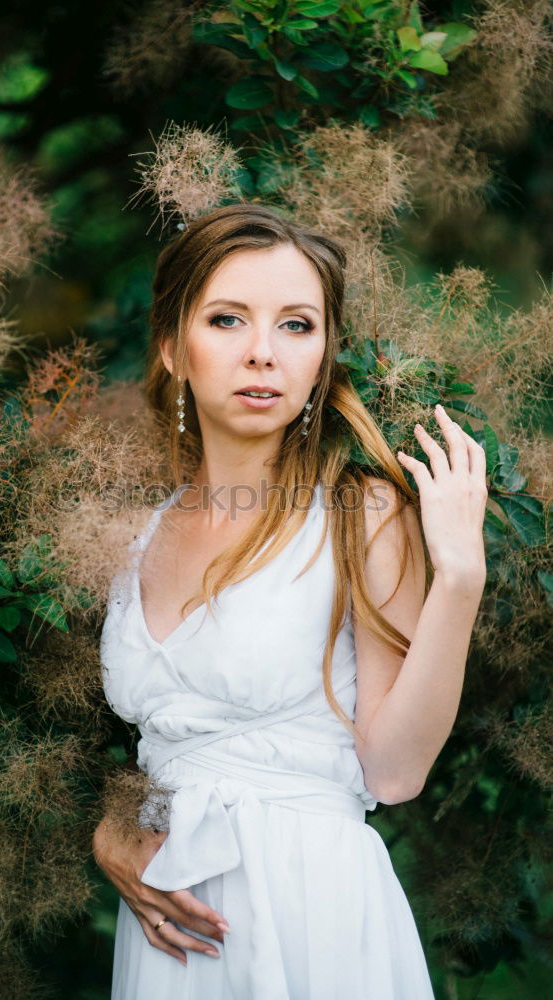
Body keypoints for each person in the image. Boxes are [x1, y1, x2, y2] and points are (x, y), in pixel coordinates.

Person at [93, 203, 488, 999]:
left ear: (322, 356)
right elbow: (167, 740)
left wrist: (458, 580)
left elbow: (396, 770)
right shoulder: (129, 535)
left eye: (297, 325)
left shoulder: (363, 513)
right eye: (228, 319)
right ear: (173, 347)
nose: (262, 354)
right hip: (175, 935)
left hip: (310, 904)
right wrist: (110, 830)